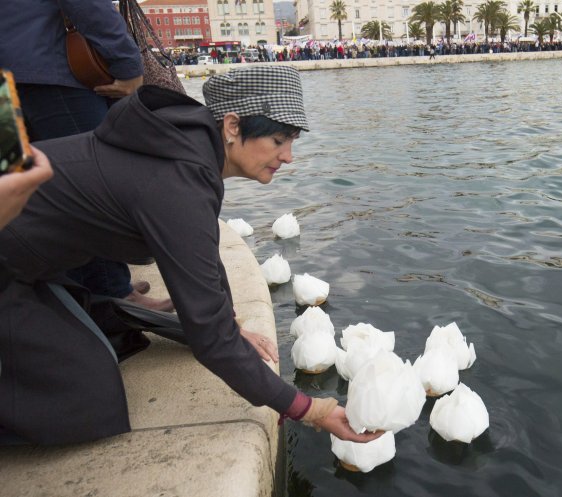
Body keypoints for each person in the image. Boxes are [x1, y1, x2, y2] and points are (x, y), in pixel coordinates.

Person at [0, 66, 382, 446]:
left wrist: (230, 322)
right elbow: (210, 340)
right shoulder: (178, 180)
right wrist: (307, 409)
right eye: (280, 140)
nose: (289, 157)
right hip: (9, 269)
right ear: (232, 127)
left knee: (104, 340)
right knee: (87, 399)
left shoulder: (186, 148)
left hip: (28, 265)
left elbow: (202, 252)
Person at [0, 0, 172, 312]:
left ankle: (70, 293)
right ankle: (111, 295)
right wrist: (128, 64)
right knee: (92, 186)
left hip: (10, 72)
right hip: (50, 70)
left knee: (30, 191)